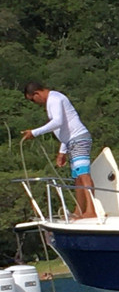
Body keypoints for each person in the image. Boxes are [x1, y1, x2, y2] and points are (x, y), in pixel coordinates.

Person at [22, 82, 97, 220]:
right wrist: (62, 151)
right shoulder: (53, 100)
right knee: (78, 178)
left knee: (83, 175)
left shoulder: (54, 99)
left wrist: (34, 132)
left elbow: (58, 122)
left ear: (37, 94)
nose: (35, 103)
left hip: (78, 139)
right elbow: (64, 128)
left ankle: (91, 210)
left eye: (33, 100)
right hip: (71, 141)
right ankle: (79, 211)